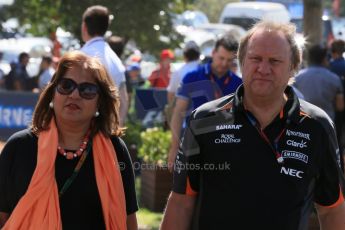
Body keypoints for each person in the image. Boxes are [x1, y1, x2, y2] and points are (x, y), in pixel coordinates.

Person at [161, 21, 345, 230]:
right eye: (255, 58)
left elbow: (332, 208)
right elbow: (181, 202)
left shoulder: (316, 126)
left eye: (274, 61)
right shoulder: (204, 119)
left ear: (293, 68)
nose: (263, 69)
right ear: (241, 63)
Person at [0, 51, 138, 229]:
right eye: (66, 85)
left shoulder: (115, 150)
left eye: (87, 90)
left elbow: (128, 221)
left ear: (100, 102)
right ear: (52, 94)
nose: (74, 95)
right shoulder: (19, 147)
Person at [167, 35, 242, 170]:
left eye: (229, 60)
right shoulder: (192, 77)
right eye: (221, 58)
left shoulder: (239, 84)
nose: (224, 64)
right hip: (193, 145)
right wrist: (174, 148)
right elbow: (178, 113)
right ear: (213, 53)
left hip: (226, 149)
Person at [81, 5, 128, 126]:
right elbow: (123, 101)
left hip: (82, 133)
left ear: (84, 26)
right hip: (106, 131)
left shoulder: (80, 57)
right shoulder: (116, 60)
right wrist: (114, 134)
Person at [294, 44, 344, 122]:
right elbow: (340, 106)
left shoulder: (298, 77)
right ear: (325, 59)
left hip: (302, 122)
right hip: (327, 123)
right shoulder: (334, 79)